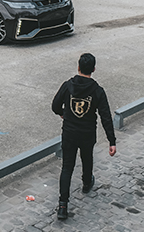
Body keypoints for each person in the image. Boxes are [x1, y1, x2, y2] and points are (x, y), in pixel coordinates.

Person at [51, 53, 117, 220]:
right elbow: (106, 117)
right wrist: (111, 141)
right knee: (87, 158)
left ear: (78, 67)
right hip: (87, 133)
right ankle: (87, 183)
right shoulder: (97, 90)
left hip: (69, 133)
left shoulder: (68, 85)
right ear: (93, 69)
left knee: (67, 167)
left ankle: (62, 205)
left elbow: (55, 105)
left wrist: (63, 113)